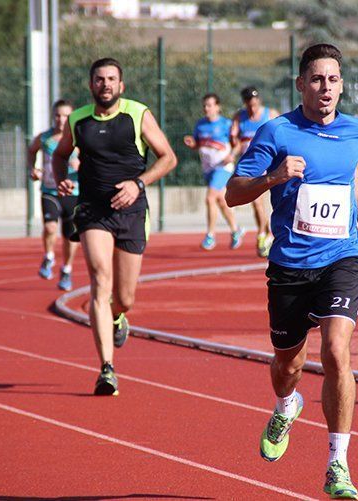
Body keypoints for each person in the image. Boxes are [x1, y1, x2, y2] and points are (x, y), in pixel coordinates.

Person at [225, 44, 358, 499]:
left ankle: (337, 464)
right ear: (301, 84)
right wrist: (273, 177)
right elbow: (233, 194)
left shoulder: (356, 130)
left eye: (334, 80)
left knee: (337, 351)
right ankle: (286, 404)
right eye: (317, 79)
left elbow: (351, 178)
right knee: (287, 365)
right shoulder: (276, 131)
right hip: (290, 265)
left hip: (343, 256)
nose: (327, 88)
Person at [52, 57, 177, 396]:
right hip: (93, 211)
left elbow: (168, 157)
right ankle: (106, 368)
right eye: (99, 79)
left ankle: (118, 317)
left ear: (121, 86)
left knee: (124, 297)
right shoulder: (78, 120)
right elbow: (60, 154)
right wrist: (62, 179)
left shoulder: (137, 114)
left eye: (111, 79)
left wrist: (138, 183)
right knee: (99, 280)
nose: (105, 84)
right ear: (91, 84)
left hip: (132, 213)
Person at [27, 99, 81, 291]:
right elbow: (31, 149)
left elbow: (94, 161)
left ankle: (66, 269)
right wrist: (33, 169)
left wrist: (80, 166)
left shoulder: (79, 138)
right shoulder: (45, 138)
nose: (61, 120)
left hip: (73, 192)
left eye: (66, 116)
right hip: (50, 191)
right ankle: (49, 256)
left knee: (70, 236)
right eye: (58, 115)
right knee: (50, 228)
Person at [183, 93, 244, 250]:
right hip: (208, 168)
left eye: (210, 105)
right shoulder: (200, 125)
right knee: (222, 202)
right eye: (205, 105)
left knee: (210, 198)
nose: (207, 108)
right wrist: (192, 143)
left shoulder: (226, 124)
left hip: (223, 167)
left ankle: (210, 235)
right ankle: (235, 230)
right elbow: (198, 144)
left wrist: (232, 155)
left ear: (218, 107)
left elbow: (236, 144)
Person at [229, 86, 279, 258]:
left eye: (255, 101)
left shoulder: (270, 114)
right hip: (251, 167)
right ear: (245, 103)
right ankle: (263, 234)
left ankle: (268, 234)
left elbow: (282, 132)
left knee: (274, 201)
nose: (253, 105)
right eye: (249, 102)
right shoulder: (239, 118)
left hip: (271, 163)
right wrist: (232, 151)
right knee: (257, 203)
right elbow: (234, 140)